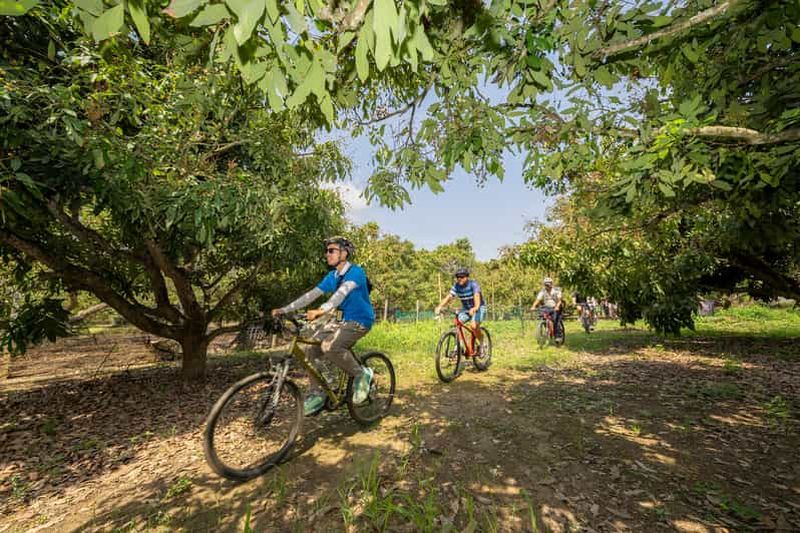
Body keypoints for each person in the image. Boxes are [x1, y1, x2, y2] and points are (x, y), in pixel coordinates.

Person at [272, 236, 375, 416]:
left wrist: (321, 310)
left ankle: (361, 374)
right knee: (310, 350)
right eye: (327, 251)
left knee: (329, 346)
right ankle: (318, 393)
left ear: (344, 253)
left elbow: (340, 294)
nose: (327, 254)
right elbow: (311, 295)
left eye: (331, 250)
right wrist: (285, 309)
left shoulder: (356, 272)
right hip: (340, 321)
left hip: (360, 320)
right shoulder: (332, 276)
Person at [434, 268, 487, 348]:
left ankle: (482, 341)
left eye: (462, 277)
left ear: (467, 277)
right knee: (457, 323)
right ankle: (460, 345)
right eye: (457, 277)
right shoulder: (456, 286)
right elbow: (449, 297)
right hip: (466, 309)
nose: (459, 279)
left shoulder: (473, 284)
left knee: (473, 326)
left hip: (479, 307)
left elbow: (476, 296)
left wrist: (475, 307)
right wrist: (440, 306)